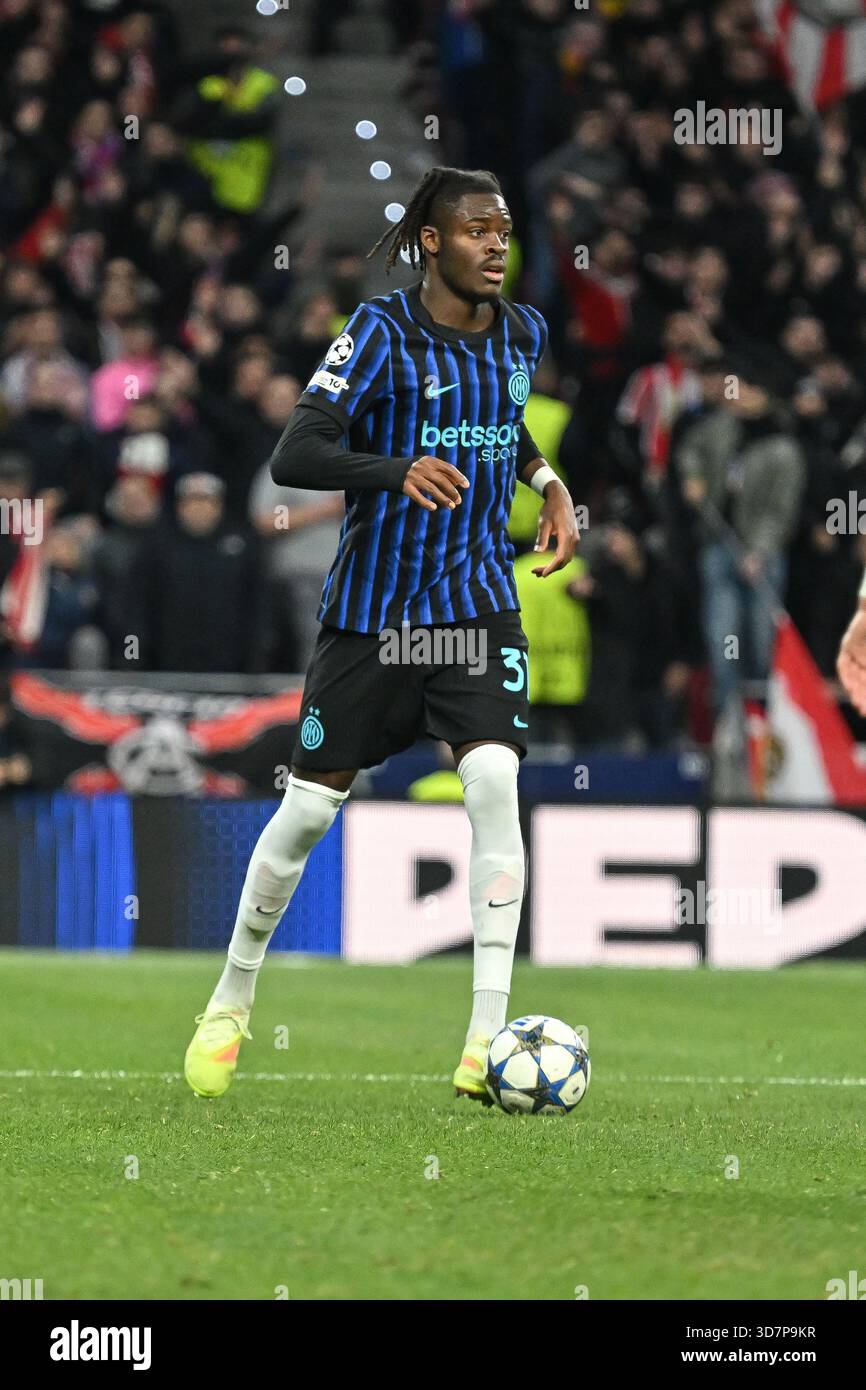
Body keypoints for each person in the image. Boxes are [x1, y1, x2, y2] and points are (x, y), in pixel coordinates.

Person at [184, 166, 579, 1103]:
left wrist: (552, 483)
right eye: (477, 229)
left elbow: (506, 427)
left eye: (505, 228)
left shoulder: (524, 331)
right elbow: (298, 451)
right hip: (376, 612)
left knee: (492, 778)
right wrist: (396, 468)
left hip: (478, 603)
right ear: (431, 242)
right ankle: (231, 997)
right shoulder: (379, 332)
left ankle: (486, 1042)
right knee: (310, 810)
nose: (496, 244)